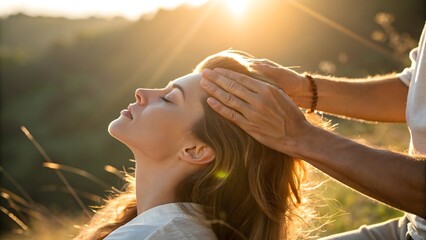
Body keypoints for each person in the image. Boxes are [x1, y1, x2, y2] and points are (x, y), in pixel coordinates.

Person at [199, 24, 426, 239]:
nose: (161, 90)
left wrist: (298, 136)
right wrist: (303, 89)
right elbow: (415, 88)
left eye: (171, 98)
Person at [75, 50, 319, 240]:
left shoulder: (154, 235)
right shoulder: (160, 228)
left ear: (196, 150)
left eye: (168, 99)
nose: (141, 92)